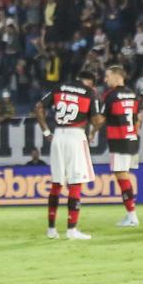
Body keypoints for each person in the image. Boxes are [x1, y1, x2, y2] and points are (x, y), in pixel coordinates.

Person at [33, 68, 104, 240]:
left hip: (58, 136)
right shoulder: (89, 93)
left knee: (57, 183)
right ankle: (72, 229)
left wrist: (46, 132)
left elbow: (38, 107)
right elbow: (96, 120)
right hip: (75, 136)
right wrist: (102, 119)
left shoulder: (61, 87)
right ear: (91, 82)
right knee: (76, 182)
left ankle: (51, 229)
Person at [101, 65, 143, 228]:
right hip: (132, 139)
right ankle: (131, 214)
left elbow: (101, 118)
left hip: (118, 140)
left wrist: (92, 130)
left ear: (117, 76)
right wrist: (133, 131)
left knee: (122, 176)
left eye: (107, 76)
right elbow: (138, 118)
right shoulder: (132, 94)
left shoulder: (110, 95)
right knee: (124, 175)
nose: (105, 79)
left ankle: (132, 215)